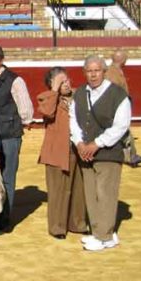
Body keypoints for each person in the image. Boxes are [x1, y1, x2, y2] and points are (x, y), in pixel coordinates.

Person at [70, 55, 131, 252]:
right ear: (84, 72)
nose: (93, 74)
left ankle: (105, 236)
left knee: (105, 194)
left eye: (97, 70)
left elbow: (121, 125)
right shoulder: (79, 94)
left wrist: (96, 144)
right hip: (85, 153)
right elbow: (74, 121)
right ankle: (99, 232)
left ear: (104, 71)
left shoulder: (117, 94)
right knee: (91, 194)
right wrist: (79, 143)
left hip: (108, 152)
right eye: (89, 70)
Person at [0, 44, 33, 235]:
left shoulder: (14, 80)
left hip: (9, 135)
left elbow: (25, 109)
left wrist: (21, 124)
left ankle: (3, 221)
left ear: (1, 59)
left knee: (6, 177)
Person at [36, 67, 88, 240]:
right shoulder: (46, 97)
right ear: (52, 83)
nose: (65, 84)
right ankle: (58, 227)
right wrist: (54, 89)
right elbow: (47, 112)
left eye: (66, 80)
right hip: (57, 150)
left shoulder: (78, 97)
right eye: (61, 81)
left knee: (78, 189)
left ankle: (78, 223)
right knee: (59, 190)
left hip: (78, 149)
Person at [104, 49, 141, 167]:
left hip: (119, 107)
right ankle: (131, 157)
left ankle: (131, 156)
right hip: (115, 108)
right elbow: (110, 94)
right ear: (123, 60)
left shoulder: (114, 71)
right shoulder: (112, 73)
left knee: (124, 132)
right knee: (123, 132)